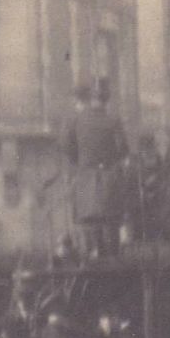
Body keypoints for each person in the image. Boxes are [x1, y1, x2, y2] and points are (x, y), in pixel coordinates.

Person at [63, 79, 129, 257]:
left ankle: (92, 256)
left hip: (85, 179)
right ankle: (114, 260)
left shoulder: (76, 120)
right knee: (112, 222)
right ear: (106, 100)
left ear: (90, 98)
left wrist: (82, 163)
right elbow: (124, 149)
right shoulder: (114, 120)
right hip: (109, 178)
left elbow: (67, 148)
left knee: (89, 223)